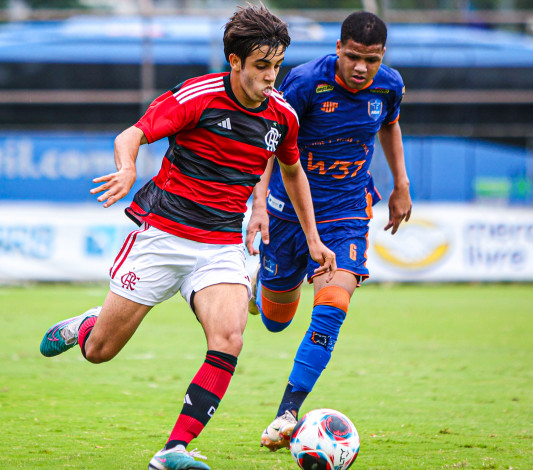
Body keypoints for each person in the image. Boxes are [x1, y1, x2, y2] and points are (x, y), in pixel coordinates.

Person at [39, 5, 336, 470]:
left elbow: (292, 171)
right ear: (234, 61)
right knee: (100, 352)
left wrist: (313, 238)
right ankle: (86, 326)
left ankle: (172, 450)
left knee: (230, 337)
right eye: (262, 66)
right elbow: (131, 135)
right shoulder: (197, 96)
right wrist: (127, 168)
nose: (271, 77)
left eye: (277, 65)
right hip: (163, 235)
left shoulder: (282, 116)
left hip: (220, 246)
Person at [245, 11, 412, 451]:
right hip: (287, 213)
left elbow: (390, 127)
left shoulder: (389, 85)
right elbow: (269, 141)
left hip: (347, 210)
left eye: (372, 60)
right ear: (338, 48)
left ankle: (288, 412)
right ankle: (258, 284)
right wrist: (259, 202)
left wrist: (401, 185)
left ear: (382, 58)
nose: (362, 68)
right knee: (276, 319)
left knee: (334, 302)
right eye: (354, 57)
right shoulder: (303, 83)